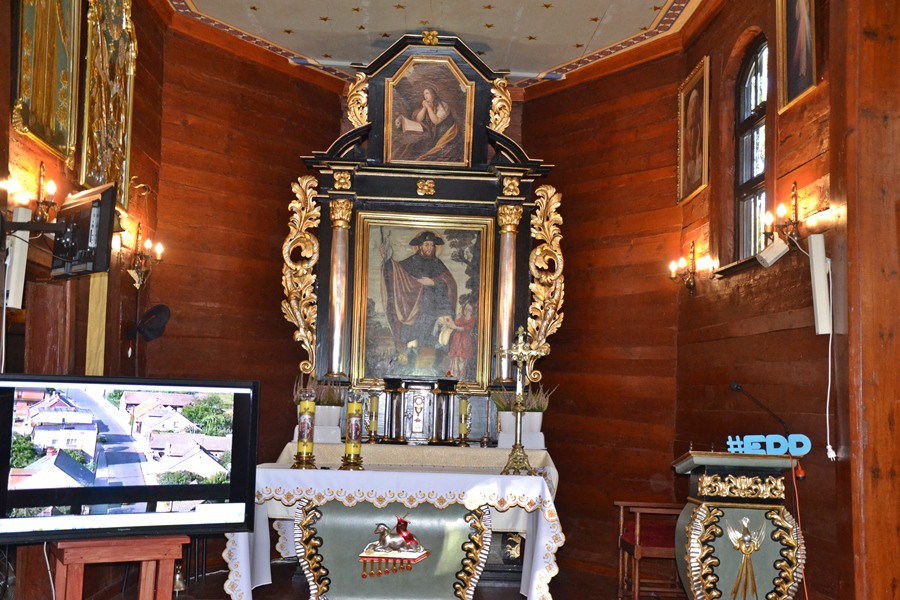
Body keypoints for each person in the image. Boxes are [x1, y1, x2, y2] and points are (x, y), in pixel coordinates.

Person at [381, 230, 458, 373]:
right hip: (414, 309)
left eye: (432, 245)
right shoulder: (412, 262)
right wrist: (387, 259)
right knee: (412, 339)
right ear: (420, 246)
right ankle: (409, 369)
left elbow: (450, 284)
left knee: (436, 339)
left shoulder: (437, 263)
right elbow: (397, 272)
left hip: (433, 309)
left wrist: (433, 282)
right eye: (426, 244)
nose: (429, 248)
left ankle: (435, 369)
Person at [393, 87, 461, 162]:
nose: (425, 96)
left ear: (433, 94)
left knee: (439, 153)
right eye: (424, 94)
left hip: (449, 133)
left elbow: (436, 121)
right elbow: (418, 119)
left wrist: (428, 107)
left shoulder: (443, 105)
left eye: (427, 93)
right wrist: (425, 108)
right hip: (437, 133)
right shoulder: (429, 104)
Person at [448, 302, 476, 380]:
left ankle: (461, 379)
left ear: (472, 311)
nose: (466, 311)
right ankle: (454, 377)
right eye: (466, 309)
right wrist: (450, 323)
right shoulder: (461, 318)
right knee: (455, 359)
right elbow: (454, 324)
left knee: (462, 360)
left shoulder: (472, 320)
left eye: (469, 309)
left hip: (464, 342)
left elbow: (466, 328)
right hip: (457, 341)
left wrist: (456, 327)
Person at [683, 87, 703, 193]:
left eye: (695, 128)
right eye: (690, 128)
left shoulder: (702, 155)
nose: (692, 135)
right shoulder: (684, 161)